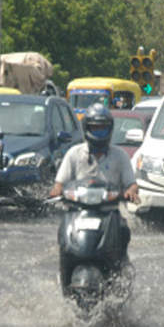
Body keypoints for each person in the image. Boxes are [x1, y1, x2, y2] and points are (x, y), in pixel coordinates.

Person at [49, 103, 141, 257]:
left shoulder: (120, 155)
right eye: (95, 128)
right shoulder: (74, 153)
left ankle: (121, 267)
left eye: (103, 128)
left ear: (110, 129)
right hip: (78, 210)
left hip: (108, 212)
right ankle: (64, 270)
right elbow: (60, 183)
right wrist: (56, 191)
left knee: (123, 230)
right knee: (63, 232)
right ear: (86, 128)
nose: (99, 132)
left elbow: (131, 184)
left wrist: (131, 192)